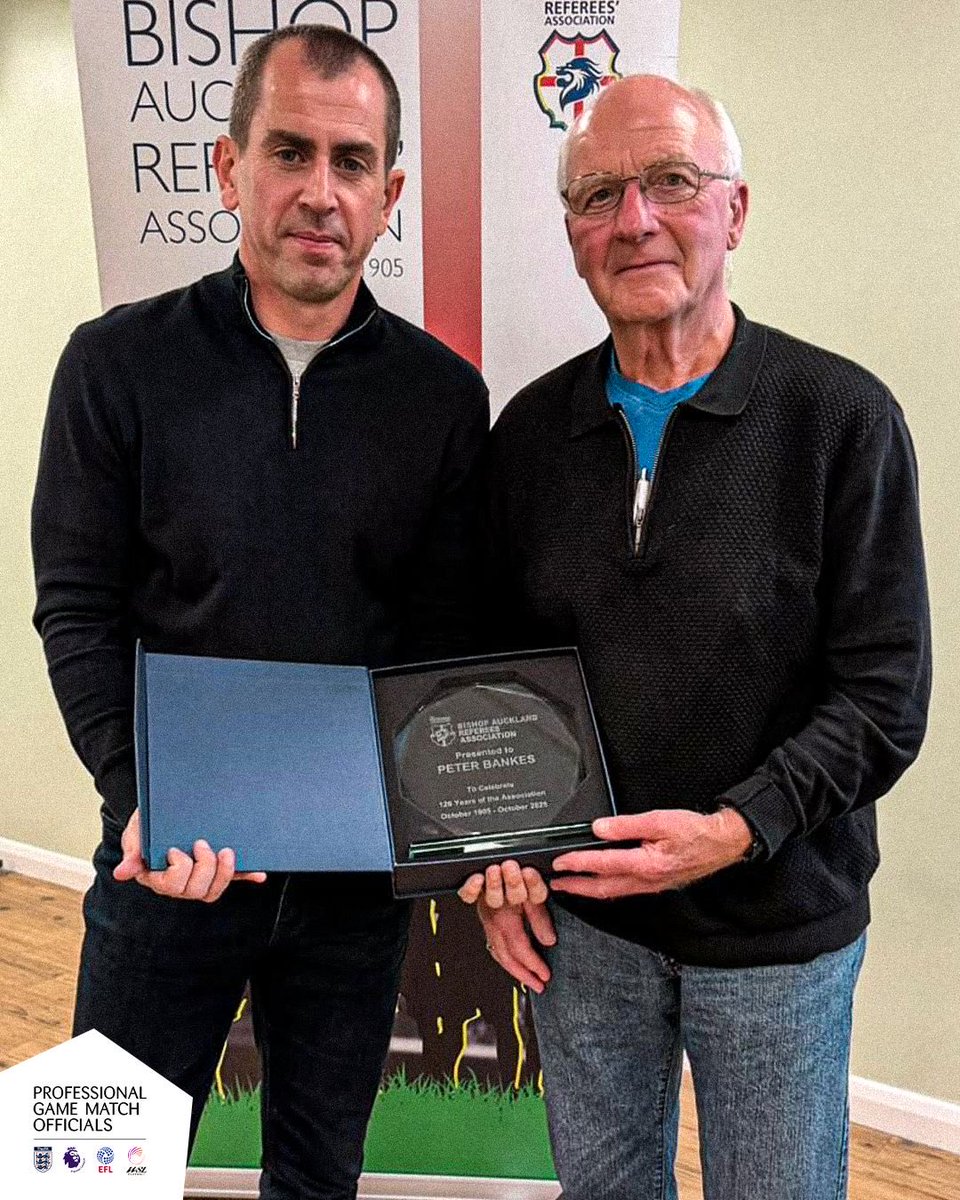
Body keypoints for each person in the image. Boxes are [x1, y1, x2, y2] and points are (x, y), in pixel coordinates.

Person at [32, 24, 488, 1200]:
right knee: (90, 1177)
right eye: (290, 152)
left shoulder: (444, 400)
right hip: (164, 864)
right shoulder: (113, 366)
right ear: (230, 169)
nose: (319, 192)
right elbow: (76, 611)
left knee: (318, 1178)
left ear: (389, 195)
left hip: (352, 896)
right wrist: (138, 796)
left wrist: (474, 821)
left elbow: (443, 643)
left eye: (351, 162)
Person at [460, 75, 930, 1199]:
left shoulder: (841, 420)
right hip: (584, 933)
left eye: (672, 182)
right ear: (572, 233)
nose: (635, 220)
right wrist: (497, 858)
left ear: (735, 209)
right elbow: (492, 680)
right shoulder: (529, 436)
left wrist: (735, 829)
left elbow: (884, 698)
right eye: (599, 194)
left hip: (777, 938)